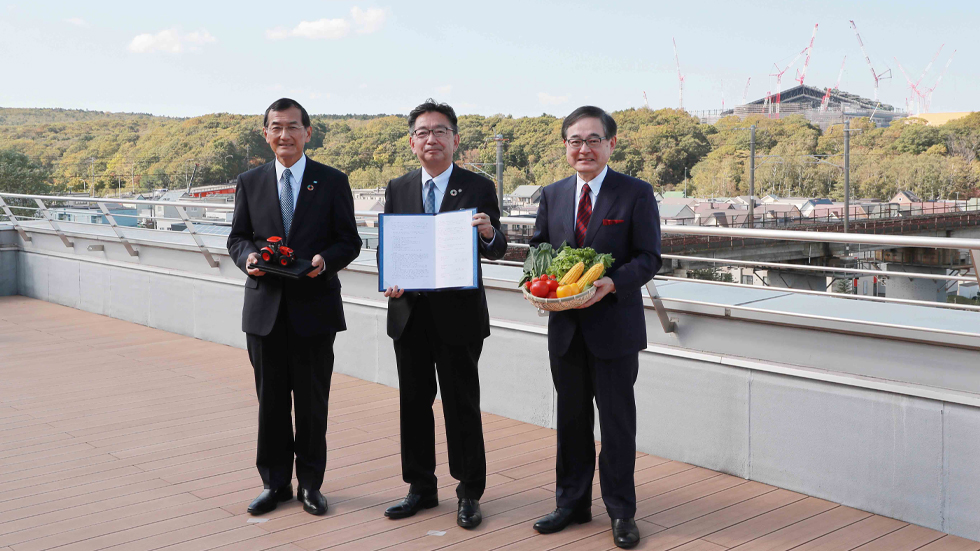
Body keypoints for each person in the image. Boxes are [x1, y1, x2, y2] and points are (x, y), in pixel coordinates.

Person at [528, 106, 661, 549]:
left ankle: (621, 512)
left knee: (618, 424)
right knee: (570, 420)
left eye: (593, 140)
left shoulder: (636, 193)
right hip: (565, 329)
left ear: (611, 144)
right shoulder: (552, 194)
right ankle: (572, 504)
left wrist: (613, 282)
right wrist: (532, 281)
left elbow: (648, 257)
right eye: (574, 141)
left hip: (615, 328)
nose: (583, 148)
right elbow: (539, 250)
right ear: (565, 146)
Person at [227, 98, 362, 517]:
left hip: (314, 309)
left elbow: (349, 240)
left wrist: (326, 260)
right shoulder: (249, 181)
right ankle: (274, 484)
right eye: (275, 128)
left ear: (307, 132)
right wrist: (247, 258)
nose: (284, 135)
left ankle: (311, 485)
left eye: (292, 127)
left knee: (311, 403)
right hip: (264, 311)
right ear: (265, 133)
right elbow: (237, 237)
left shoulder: (332, 180)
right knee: (270, 402)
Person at [380, 99, 508, 529]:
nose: (430, 139)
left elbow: (498, 245)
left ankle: (469, 491)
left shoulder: (478, 186)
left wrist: (489, 233)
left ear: (455, 138)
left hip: (458, 314)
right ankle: (420, 487)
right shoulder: (398, 186)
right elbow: (390, 245)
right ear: (412, 141)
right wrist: (390, 276)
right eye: (422, 132)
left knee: (461, 405)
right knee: (413, 404)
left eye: (439, 131)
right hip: (409, 313)